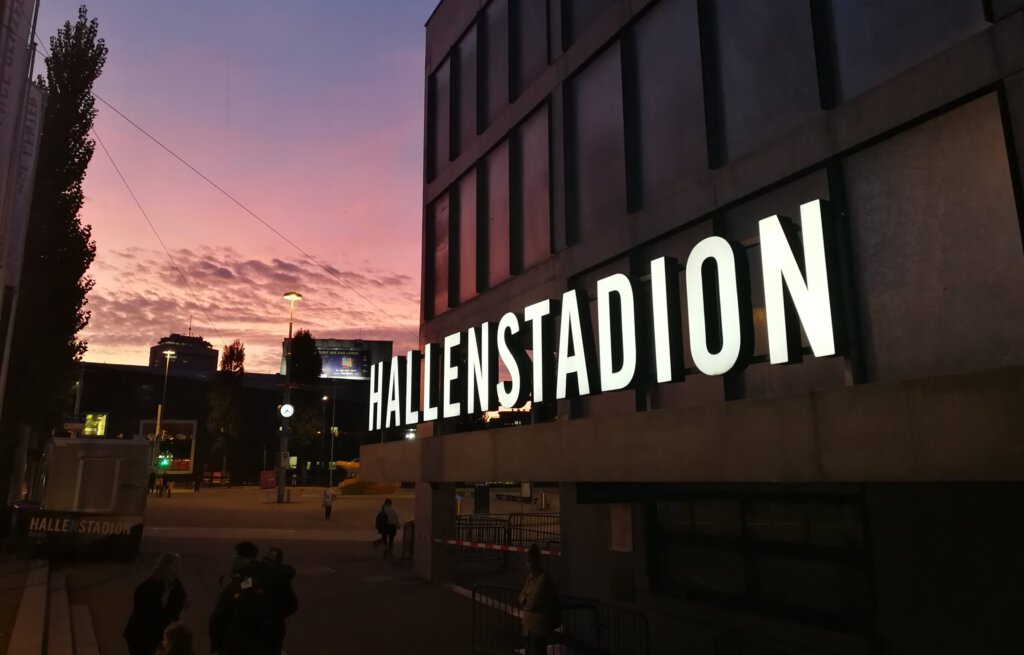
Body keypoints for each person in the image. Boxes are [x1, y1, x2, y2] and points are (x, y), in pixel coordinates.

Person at [210, 542, 276, 655]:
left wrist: (231, 585)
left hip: (243, 634)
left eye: (236, 555)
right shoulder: (240, 571)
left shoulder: (257, 574)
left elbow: (246, 585)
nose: (233, 558)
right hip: (233, 633)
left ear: (245, 558)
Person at [123, 553, 187, 655]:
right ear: (165, 568)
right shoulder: (147, 588)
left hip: (160, 635)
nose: (177, 570)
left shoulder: (176, 584)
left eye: (178, 567)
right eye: (175, 567)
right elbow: (150, 614)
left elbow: (180, 602)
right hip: (142, 636)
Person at [519, 544, 560, 655]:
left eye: (531, 561)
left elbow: (533, 601)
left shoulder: (543, 578)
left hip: (537, 628)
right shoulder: (530, 577)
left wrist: (525, 598)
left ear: (536, 561)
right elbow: (520, 597)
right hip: (527, 628)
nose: (529, 564)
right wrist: (525, 598)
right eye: (527, 561)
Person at [263, 547, 298, 655]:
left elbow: (292, 605)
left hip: (273, 629)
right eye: (265, 559)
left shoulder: (281, 582)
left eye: (269, 561)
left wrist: (275, 617)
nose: (265, 563)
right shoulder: (260, 576)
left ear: (277, 563)